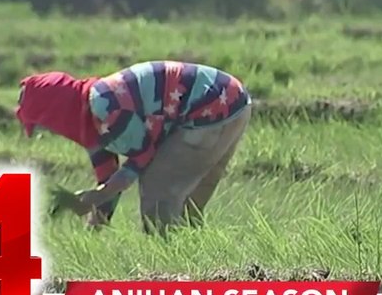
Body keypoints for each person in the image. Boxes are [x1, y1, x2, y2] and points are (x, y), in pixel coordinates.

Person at [15, 60, 252, 235]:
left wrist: (98, 194)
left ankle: (166, 273)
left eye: (45, 124)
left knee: (157, 188)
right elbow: (109, 181)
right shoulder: (92, 123)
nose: (52, 132)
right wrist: (91, 234)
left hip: (209, 107)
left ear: (56, 112)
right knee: (186, 214)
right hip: (232, 104)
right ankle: (193, 270)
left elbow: (142, 156)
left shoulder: (103, 105)